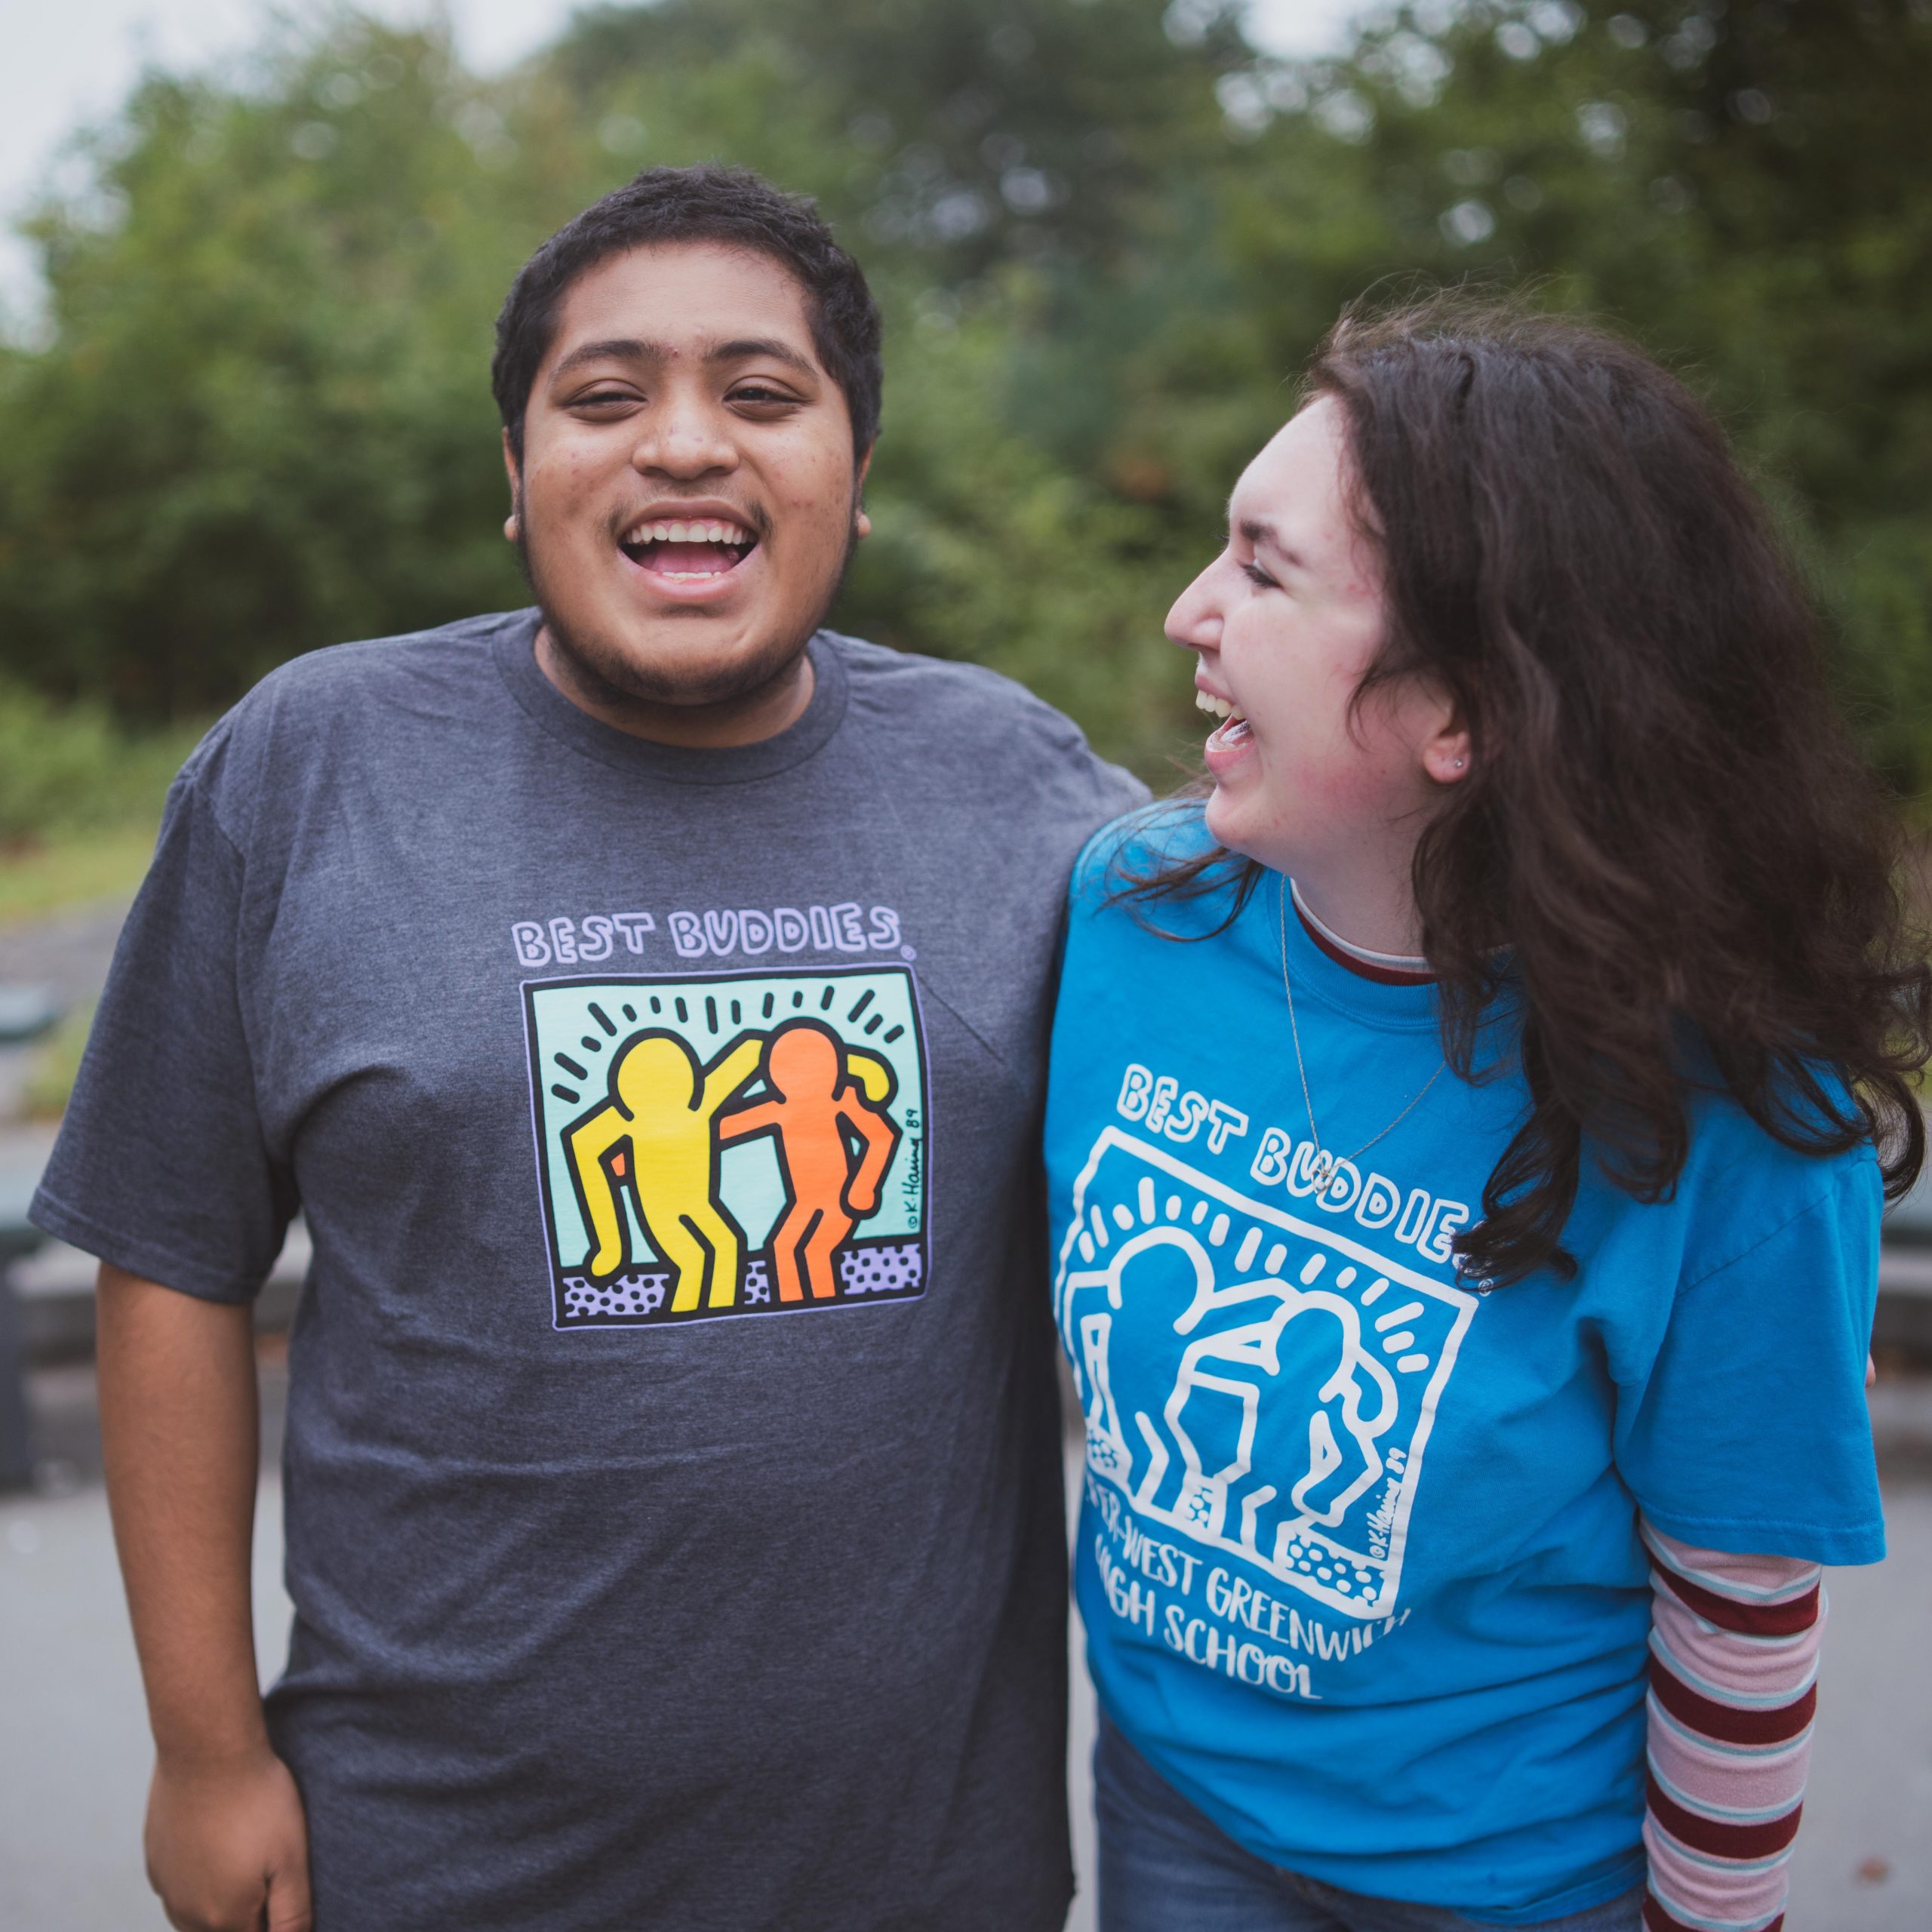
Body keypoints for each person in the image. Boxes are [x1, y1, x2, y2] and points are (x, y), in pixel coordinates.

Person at [32, 164, 1143, 1931]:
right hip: (435, 1859)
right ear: (515, 477)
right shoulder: (310, 768)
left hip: (928, 1867)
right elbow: (168, 1255)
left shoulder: (1020, 789)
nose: (684, 443)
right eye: (604, 396)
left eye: (761, 395)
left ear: (853, 478)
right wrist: (205, 1749)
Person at [1044, 296, 1927, 1932]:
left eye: (1260, 566)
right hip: (1170, 1805)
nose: (1187, 610)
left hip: (1515, 1884)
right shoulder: (1123, 912)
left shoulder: (1727, 1121)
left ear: (1464, 710)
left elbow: (1737, 1611)